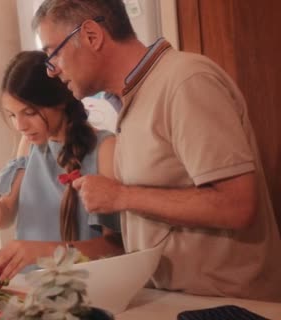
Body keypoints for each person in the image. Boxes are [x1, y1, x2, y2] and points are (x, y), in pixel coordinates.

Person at [33, 0, 281, 301]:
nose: (51, 71)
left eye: (52, 55)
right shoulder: (131, 100)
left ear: (91, 35)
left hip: (225, 303)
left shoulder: (185, 81)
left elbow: (237, 205)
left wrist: (121, 196)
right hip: (176, 300)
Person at [0, 51, 124, 280]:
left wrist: (49, 251)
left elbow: (119, 247)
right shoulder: (30, 143)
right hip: (32, 291)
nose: (19, 125)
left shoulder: (105, 149)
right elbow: (8, 207)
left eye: (29, 113)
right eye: (12, 115)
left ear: (59, 102)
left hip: (84, 292)